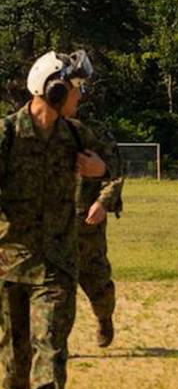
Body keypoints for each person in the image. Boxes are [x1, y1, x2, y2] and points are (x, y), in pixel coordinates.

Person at [1, 50, 108, 389]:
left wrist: (100, 170)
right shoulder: (8, 134)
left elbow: (113, 165)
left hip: (58, 259)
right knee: (16, 345)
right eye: (75, 89)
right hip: (9, 259)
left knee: (51, 341)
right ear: (54, 89)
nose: (79, 98)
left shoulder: (77, 134)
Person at [59, 90, 123, 348]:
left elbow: (116, 173)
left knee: (98, 284)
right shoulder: (40, 131)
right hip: (53, 226)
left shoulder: (94, 131)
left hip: (88, 224)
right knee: (57, 290)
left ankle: (104, 318)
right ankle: (55, 343)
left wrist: (102, 202)